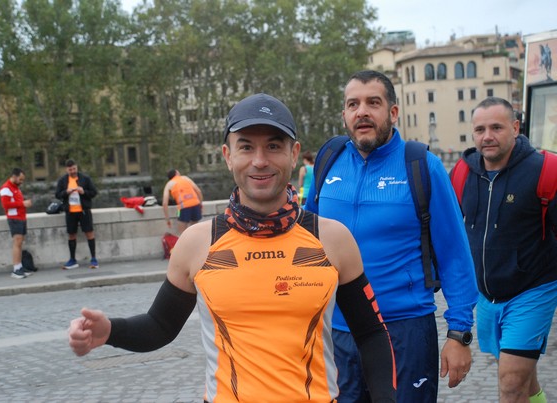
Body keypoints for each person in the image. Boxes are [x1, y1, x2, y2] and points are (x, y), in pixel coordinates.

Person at [68, 93, 397, 402]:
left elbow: (370, 333)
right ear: (228, 156)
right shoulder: (197, 243)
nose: (259, 161)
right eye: (246, 147)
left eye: (273, 146)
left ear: (294, 153)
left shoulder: (332, 239)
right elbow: (160, 326)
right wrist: (109, 330)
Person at [304, 70, 478, 403]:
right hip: (339, 331)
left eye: (373, 102)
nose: (362, 112)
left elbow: (455, 254)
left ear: (393, 112)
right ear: (344, 114)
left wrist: (459, 334)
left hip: (404, 331)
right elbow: (306, 239)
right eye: (353, 104)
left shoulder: (422, 166)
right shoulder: (329, 161)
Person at [452, 97, 557, 403]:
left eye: (496, 127)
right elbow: (446, 229)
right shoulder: (462, 173)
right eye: (480, 129)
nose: (487, 136)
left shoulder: (544, 171)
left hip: (533, 290)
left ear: (514, 127)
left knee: (510, 383)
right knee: (523, 380)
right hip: (487, 295)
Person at [55, 159, 99, 270]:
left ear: (77, 167)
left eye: (74, 169)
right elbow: (57, 194)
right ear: (66, 170)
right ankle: (72, 259)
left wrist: (83, 192)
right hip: (70, 212)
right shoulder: (63, 180)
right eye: (70, 169)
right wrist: (66, 192)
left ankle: (94, 259)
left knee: (89, 233)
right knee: (71, 234)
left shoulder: (85, 178)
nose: (73, 171)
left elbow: (94, 192)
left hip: (84, 210)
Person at [0, 168, 33, 279]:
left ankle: (19, 266)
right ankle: (16, 269)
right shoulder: (6, 188)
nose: (21, 182)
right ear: (14, 176)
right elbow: (6, 205)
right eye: (21, 179)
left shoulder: (15, 188)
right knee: (17, 242)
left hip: (20, 217)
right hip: (15, 218)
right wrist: (23, 203)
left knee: (19, 243)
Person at [161, 169, 203, 234]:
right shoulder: (185, 178)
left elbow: (164, 203)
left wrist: (168, 220)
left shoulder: (169, 184)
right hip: (195, 205)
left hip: (182, 208)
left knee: (182, 232)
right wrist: (200, 204)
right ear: (177, 173)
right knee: (195, 230)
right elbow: (198, 191)